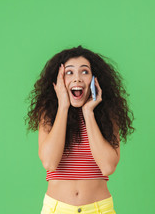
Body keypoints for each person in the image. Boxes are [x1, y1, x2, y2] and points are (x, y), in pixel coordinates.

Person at [25, 45, 135, 214]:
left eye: (84, 72)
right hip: (56, 209)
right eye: (69, 72)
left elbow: (107, 167)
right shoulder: (49, 113)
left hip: (100, 209)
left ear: (94, 79)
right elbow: (49, 162)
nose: (77, 79)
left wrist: (88, 113)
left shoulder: (107, 114)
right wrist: (63, 106)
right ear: (59, 80)